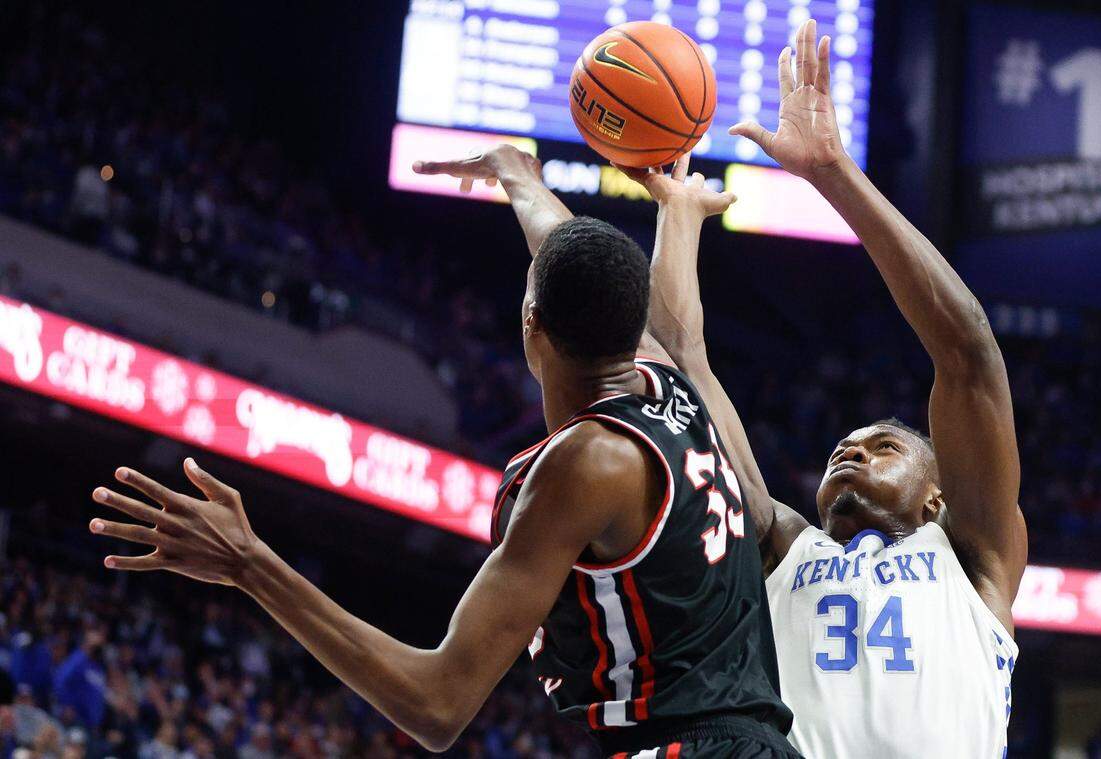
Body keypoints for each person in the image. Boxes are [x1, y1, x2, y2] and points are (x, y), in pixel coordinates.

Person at [89, 146, 800, 757]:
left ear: (531, 325)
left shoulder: (588, 461)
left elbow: (437, 703)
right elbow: (565, 251)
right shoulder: (668, 385)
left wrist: (249, 562)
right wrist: (519, 179)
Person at [621, 19, 1027, 759]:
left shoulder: (973, 557)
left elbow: (968, 350)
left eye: (883, 446)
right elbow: (686, 370)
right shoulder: (784, 546)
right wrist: (675, 219)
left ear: (938, 496)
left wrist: (832, 170)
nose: (851, 449)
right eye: (847, 444)